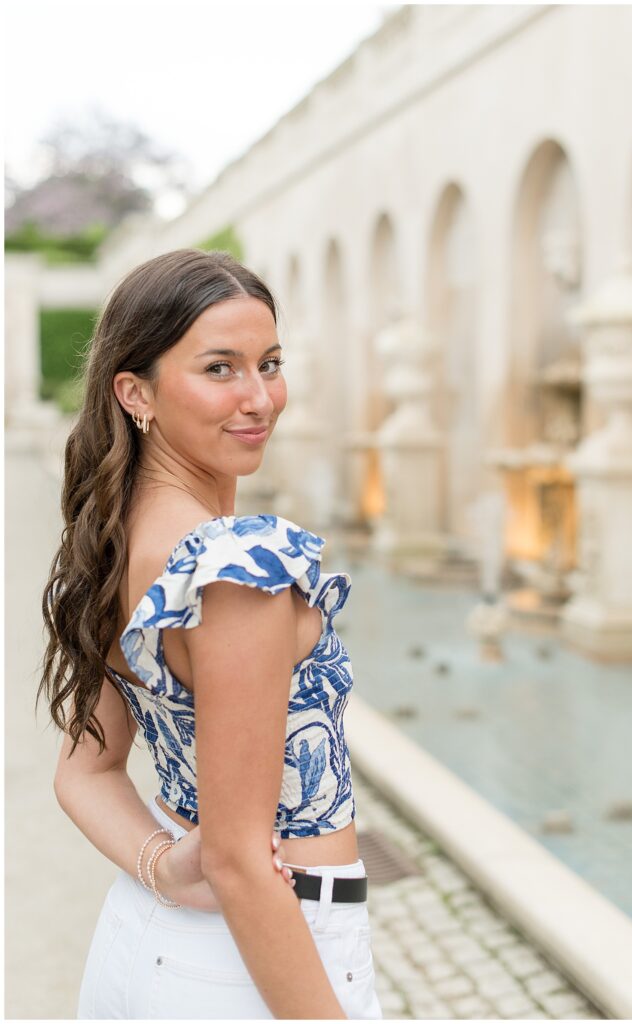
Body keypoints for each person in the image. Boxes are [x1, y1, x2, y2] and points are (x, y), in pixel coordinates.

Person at [38, 248, 383, 1020]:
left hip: (151, 948)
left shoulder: (116, 539)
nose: (258, 397)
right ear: (137, 392)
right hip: (261, 959)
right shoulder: (235, 570)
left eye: (270, 363)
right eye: (219, 369)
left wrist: (159, 865)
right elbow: (236, 859)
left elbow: (83, 774)